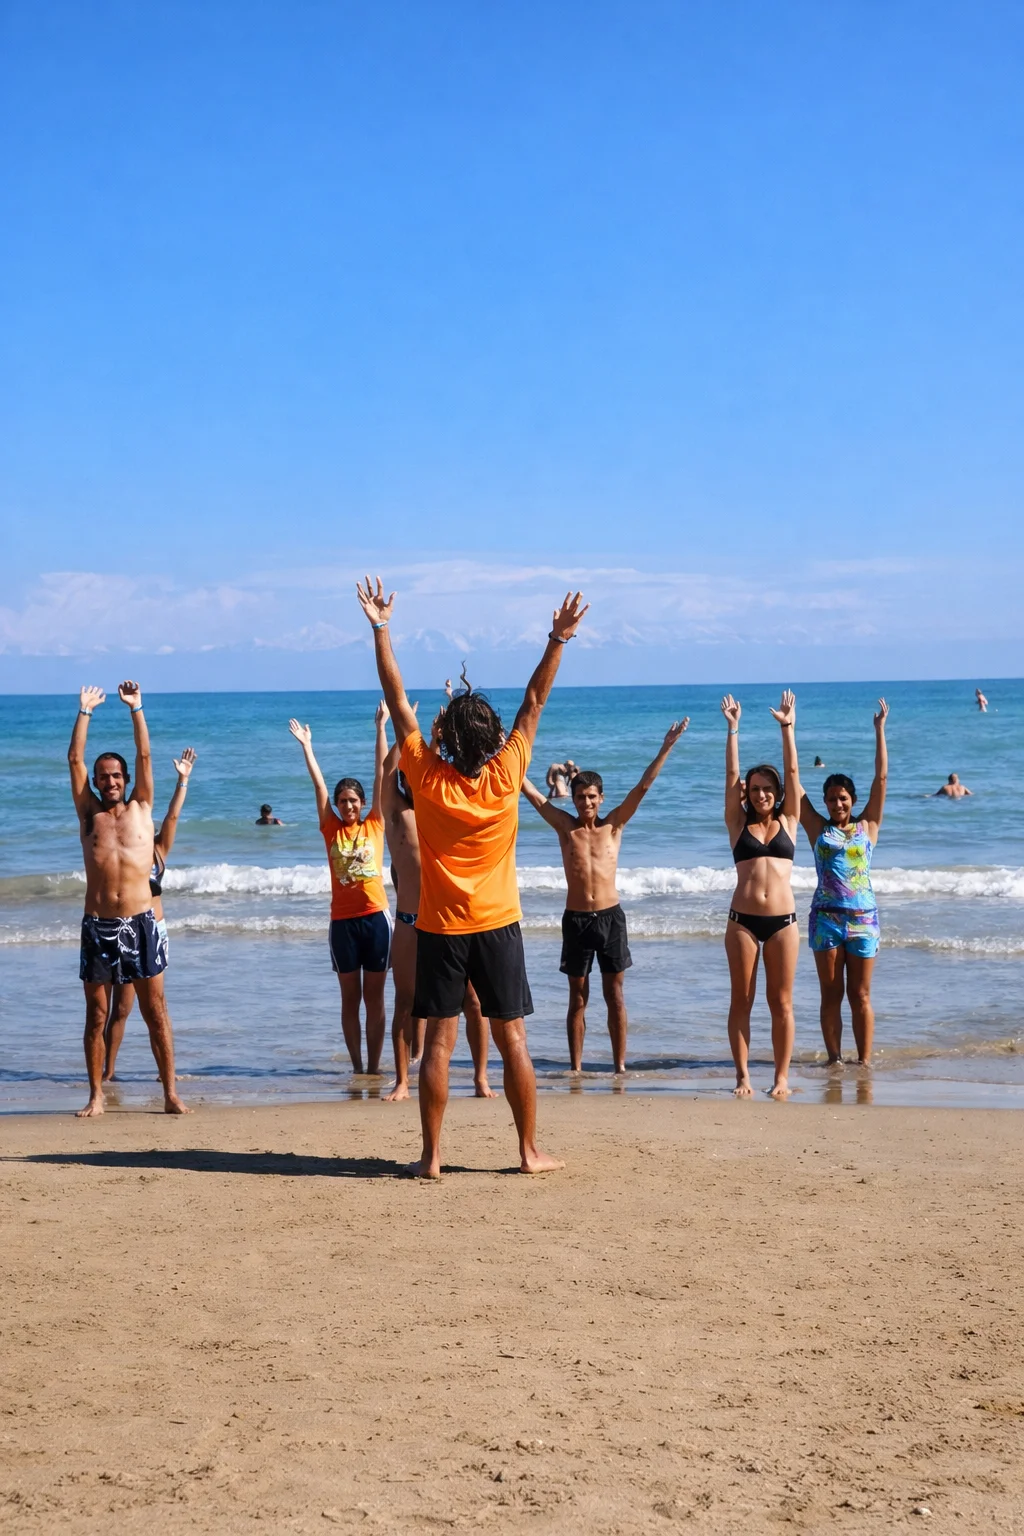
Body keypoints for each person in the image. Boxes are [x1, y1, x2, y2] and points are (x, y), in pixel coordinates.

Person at [357, 574, 588, 1176]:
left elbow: (397, 694)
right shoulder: (508, 772)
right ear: (489, 738)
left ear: (446, 738)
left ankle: (432, 1157)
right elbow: (534, 703)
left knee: (439, 1041)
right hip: (499, 926)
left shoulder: (428, 777)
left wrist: (381, 627)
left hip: (439, 926)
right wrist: (556, 639)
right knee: (512, 1039)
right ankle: (528, 1152)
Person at [520, 722, 688, 1074]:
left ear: (601, 798)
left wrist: (666, 747)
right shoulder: (566, 828)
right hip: (577, 919)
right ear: (574, 798)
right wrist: (507, 755)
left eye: (592, 797)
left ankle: (619, 1066)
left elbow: (643, 786)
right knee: (577, 998)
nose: (586, 803)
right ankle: (577, 1067)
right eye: (580, 797)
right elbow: (534, 796)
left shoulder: (614, 826)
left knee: (615, 996)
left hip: (611, 918)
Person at [67, 682, 189, 1117]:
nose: (111, 781)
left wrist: (137, 709)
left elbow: (146, 757)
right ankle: (97, 1095)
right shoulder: (89, 815)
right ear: (96, 782)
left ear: (125, 779)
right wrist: (85, 713)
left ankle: (171, 1093)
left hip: (142, 923)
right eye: (104, 776)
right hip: (98, 924)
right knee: (97, 1015)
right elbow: (74, 759)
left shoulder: (142, 806)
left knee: (155, 1011)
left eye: (117, 775)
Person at [379, 732, 494, 1102]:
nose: (415, 779)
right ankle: (401, 1081)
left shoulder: (440, 806)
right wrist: (394, 731)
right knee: (406, 1003)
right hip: (411, 921)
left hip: (449, 921)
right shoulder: (398, 816)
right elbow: (385, 771)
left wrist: (439, 734)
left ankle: (480, 1078)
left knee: (474, 1003)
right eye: (408, 775)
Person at [288, 704, 391, 1074]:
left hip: (376, 920)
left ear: (363, 804)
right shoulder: (331, 827)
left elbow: (382, 774)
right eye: (343, 800)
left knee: (375, 1000)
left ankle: (376, 1067)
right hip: (342, 924)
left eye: (354, 801)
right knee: (351, 1000)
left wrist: (381, 727)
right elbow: (318, 785)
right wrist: (307, 747)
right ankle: (358, 1067)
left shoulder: (375, 824)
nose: (348, 805)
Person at [721, 690, 802, 1099]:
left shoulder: (790, 819)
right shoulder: (737, 823)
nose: (761, 794)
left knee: (781, 1003)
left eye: (768, 789)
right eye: (755, 789)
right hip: (743, 924)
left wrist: (787, 727)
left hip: (784, 924)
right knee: (743, 999)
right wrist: (733, 729)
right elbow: (731, 775)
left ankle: (782, 1078)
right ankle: (742, 1077)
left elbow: (792, 772)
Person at [800, 701, 889, 1065]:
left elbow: (881, 780)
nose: (838, 803)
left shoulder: (868, 826)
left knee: (861, 995)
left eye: (843, 798)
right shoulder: (818, 829)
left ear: (851, 801)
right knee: (830, 993)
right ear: (825, 801)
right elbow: (793, 781)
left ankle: (864, 1061)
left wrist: (879, 730)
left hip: (863, 920)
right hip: (826, 920)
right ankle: (835, 1059)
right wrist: (788, 730)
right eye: (832, 798)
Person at [103, 746, 197, 1081]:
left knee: (157, 1007)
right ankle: (109, 1071)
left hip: (154, 931)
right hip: (124, 928)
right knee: (122, 1008)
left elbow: (171, 817)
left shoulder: (158, 852)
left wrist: (182, 782)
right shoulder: (124, 849)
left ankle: (164, 1072)